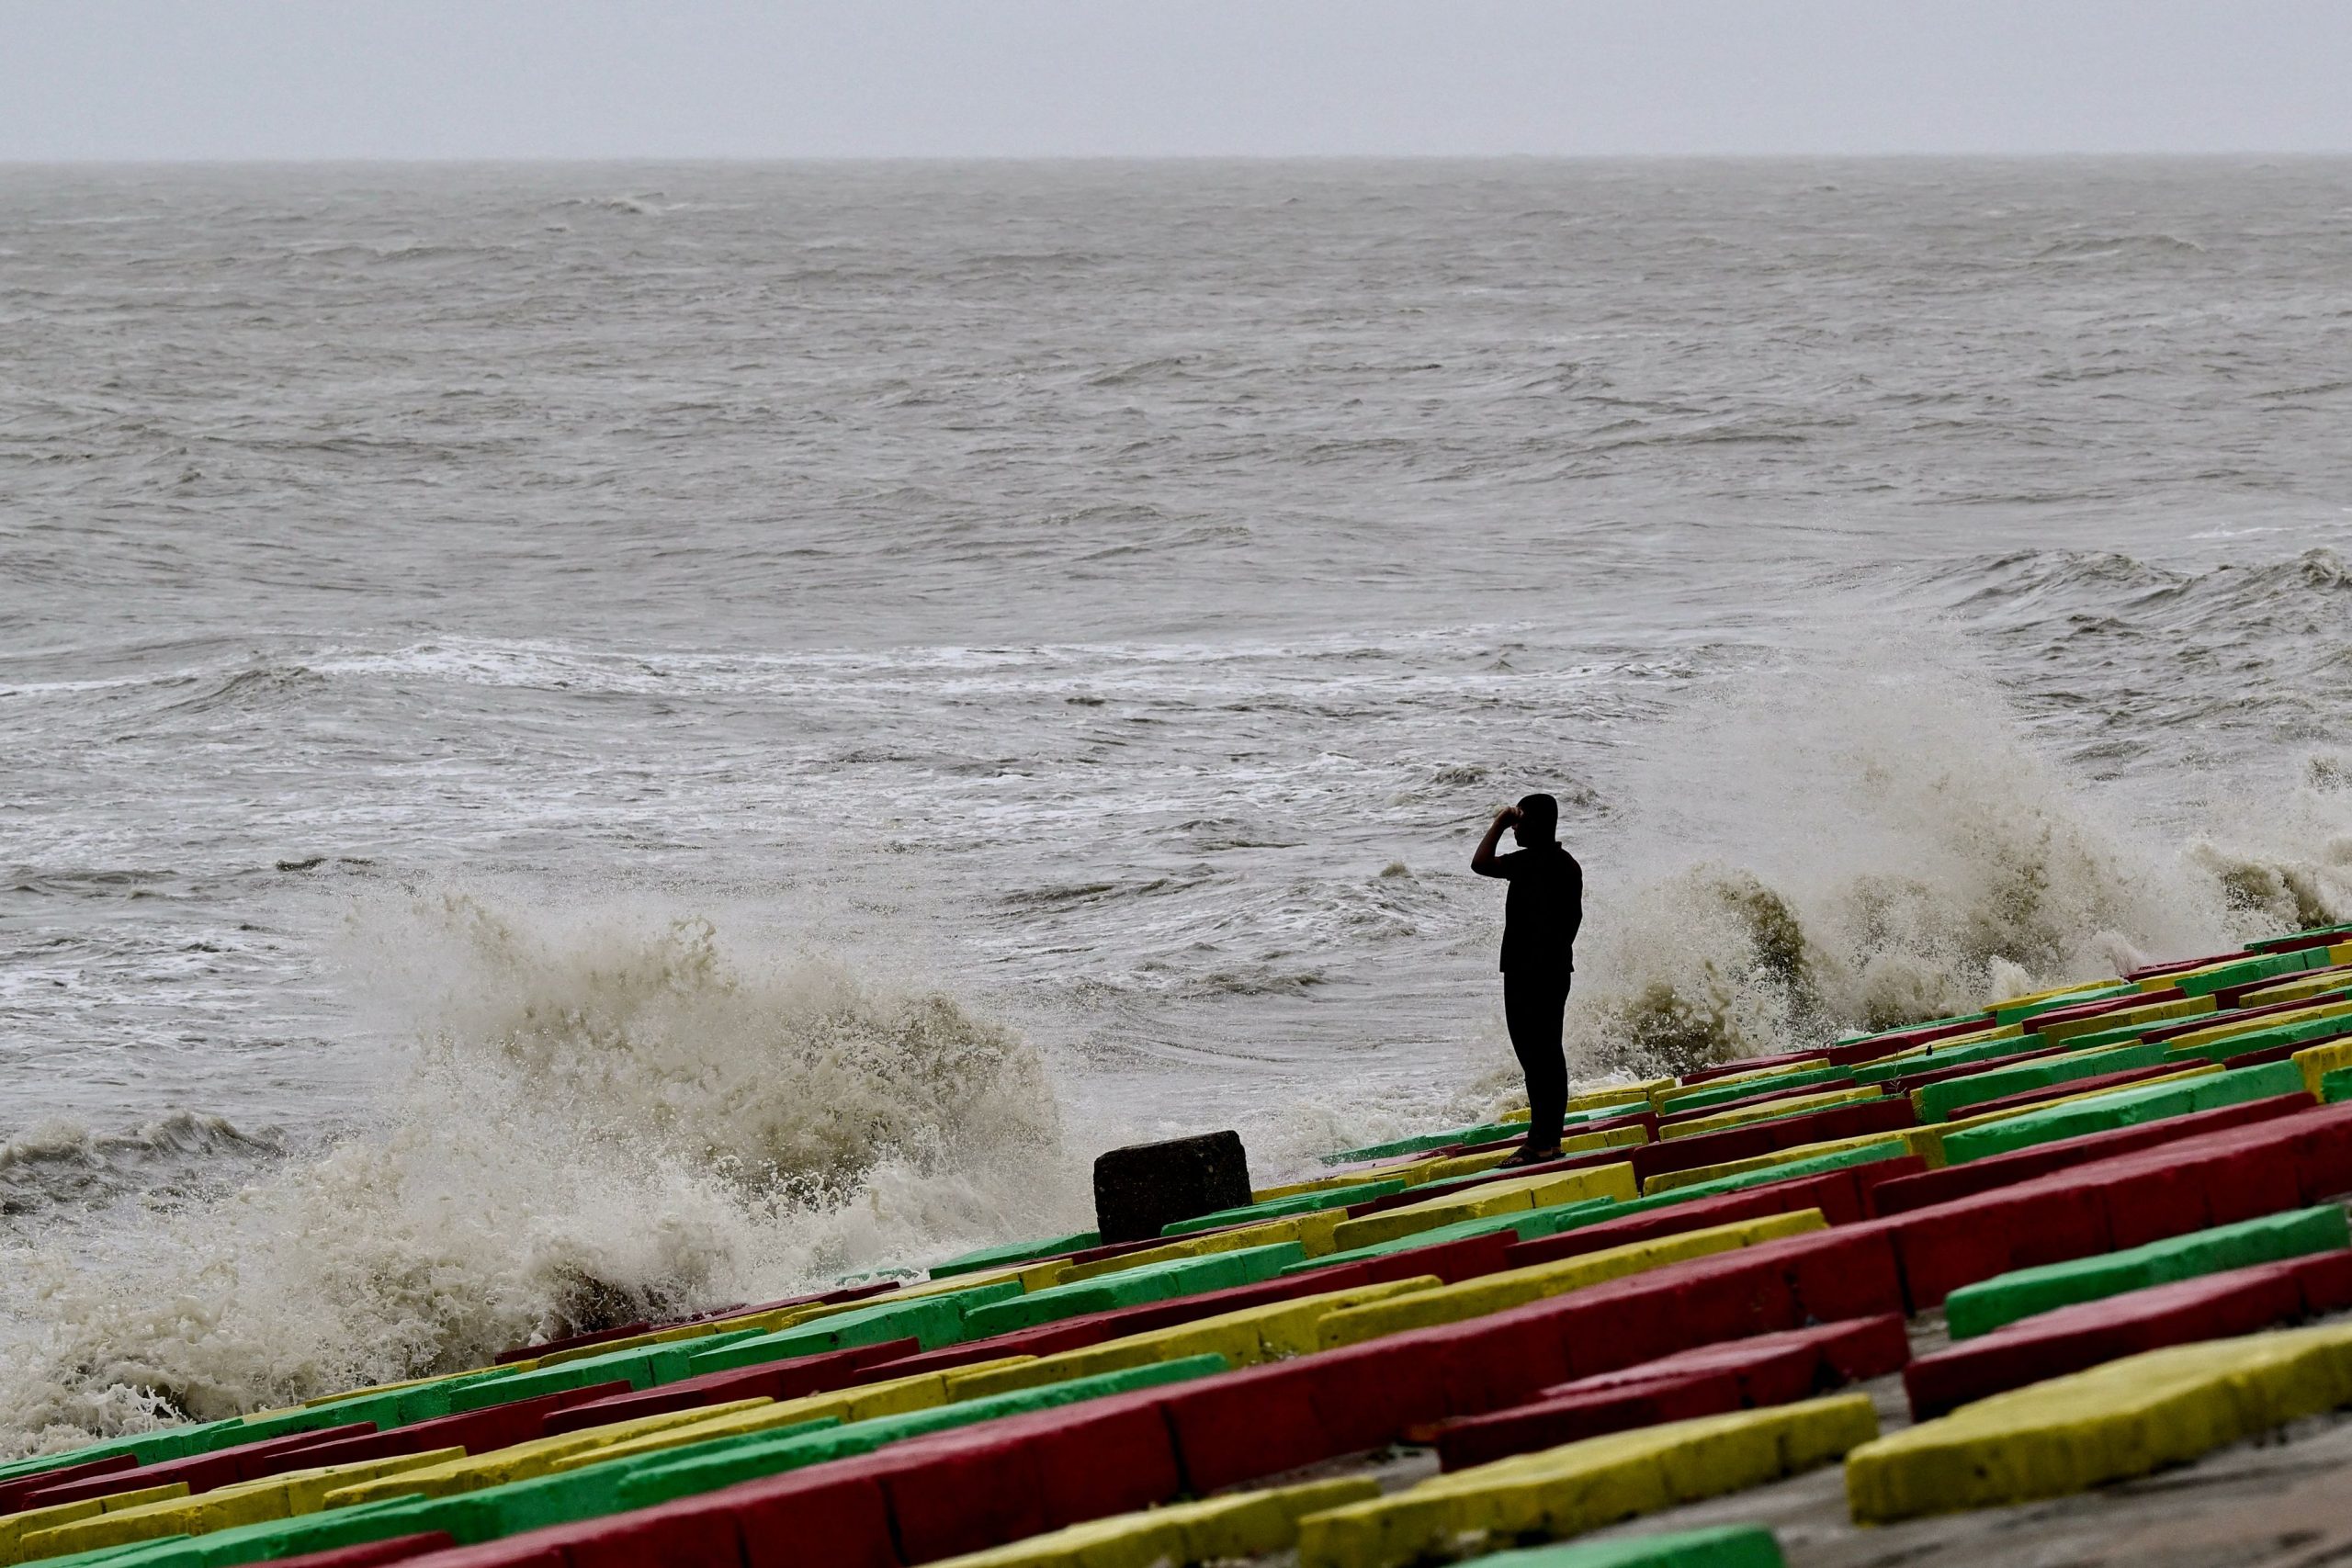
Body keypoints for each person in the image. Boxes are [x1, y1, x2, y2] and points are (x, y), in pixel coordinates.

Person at [1471, 793, 1584, 1168]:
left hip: (1526, 972)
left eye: (1520, 821)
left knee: (1535, 1057)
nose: (1516, 827)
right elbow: (1573, 922)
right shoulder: (1568, 865)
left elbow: (1480, 863)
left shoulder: (1529, 862)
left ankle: (1538, 1143)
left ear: (1534, 824)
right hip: (1555, 970)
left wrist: (1499, 823)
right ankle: (1549, 1140)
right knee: (1550, 1054)